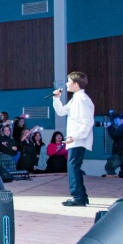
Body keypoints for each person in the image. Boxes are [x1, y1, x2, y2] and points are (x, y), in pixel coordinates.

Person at [53, 71, 94, 206]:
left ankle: (78, 197)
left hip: (78, 139)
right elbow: (61, 112)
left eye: (69, 81)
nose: (66, 84)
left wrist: (76, 137)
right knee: (74, 166)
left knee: (73, 167)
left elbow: (88, 122)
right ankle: (81, 196)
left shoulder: (82, 99)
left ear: (76, 84)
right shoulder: (75, 99)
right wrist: (56, 99)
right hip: (75, 139)